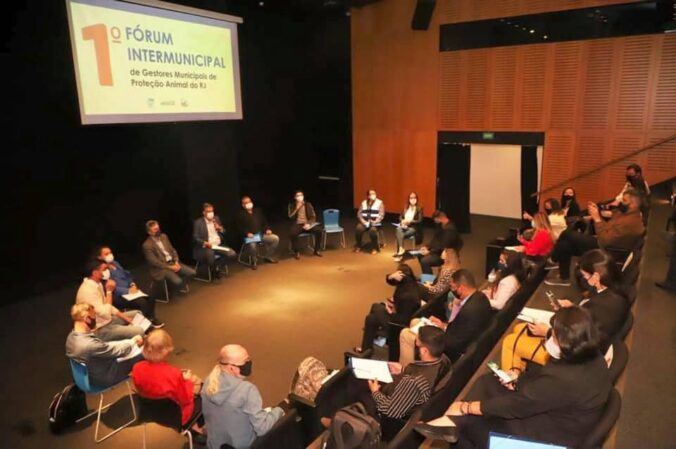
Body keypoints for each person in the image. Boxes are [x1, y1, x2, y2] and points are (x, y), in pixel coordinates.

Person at [414, 307, 611, 449]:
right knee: (488, 381)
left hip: (549, 438)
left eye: (554, 337)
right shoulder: (591, 356)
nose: (549, 340)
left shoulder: (563, 378)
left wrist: (468, 407)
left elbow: (519, 405)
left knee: (470, 421)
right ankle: (452, 421)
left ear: (568, 342)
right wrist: (517, 379)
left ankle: (454, 421)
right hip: (557, 413)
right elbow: (543, 389)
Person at [501, 249, 628, 372]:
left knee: (509, 341)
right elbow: (588, 321)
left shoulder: (606, 305)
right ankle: (519, 371)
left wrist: (548, 332)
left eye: (585, 276)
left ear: (595, 276)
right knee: (519, 328)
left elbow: (584, 342)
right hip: (574, 341)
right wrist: (572, 308)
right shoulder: (608, 291)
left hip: (574, 357)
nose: (584, 279)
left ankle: (511, 380)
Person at [546, 188, 645, 286]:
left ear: (634, 205)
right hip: (603, 242)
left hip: (606, 248)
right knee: (564, 245)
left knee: (567, 234)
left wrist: (597, 218)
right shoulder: (626, 214)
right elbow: (609, 224)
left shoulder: (630, 222)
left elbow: (605, 240)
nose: (620, 202)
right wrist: (597, 212)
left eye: (624, 200)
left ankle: (553, 260)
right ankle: (563, 277)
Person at [201, 344, 285, 449]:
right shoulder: (247, 390)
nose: (248, 363)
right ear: (231, 368)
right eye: (245, 362)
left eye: (248, 359)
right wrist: (280, 409)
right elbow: (262, 428)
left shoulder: (209, 382)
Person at [402, 270, 492, 364]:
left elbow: (454, 344)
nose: (451, 290)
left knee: (405, 334)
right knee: (415, 321)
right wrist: (443, 326)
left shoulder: (469, 311)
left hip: (453, 351)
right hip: (458, 338)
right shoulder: (481, 297)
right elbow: (460, 329)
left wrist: (430, 335)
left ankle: (406, 369)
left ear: (461, 288)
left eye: (452, 287)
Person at [363, 326, 452, 420]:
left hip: (390, 408)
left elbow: (391, 411)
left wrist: (375, 392)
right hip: (407, 394)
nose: (415, 346)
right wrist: (403, 371)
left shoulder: (414, 381)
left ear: (424, 351)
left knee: (358, 383)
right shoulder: (444, 361)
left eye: (417, 343)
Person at [131, 329, 206, 441]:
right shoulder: (173, 374)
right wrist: (187, 381)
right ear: (165, 351)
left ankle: (194, 426)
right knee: (205, 389)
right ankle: (195, 426)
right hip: (176, 416)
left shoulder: (137, 367)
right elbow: (186, 400)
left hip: (150, 412)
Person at [66, 303, 145, 387]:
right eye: (94, 316)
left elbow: (105, 346)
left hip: (92, 373)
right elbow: (117, 351)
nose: (95, 319)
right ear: (87, 319)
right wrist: (133, 341)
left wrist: (128, 342)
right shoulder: (90, 345)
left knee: (127, 347)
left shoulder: (71, 337)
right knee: (145, 352)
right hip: (107, 376)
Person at [355, 264, 421, 354]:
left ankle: (374, 338)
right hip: (399, 315)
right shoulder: (412, 283)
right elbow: (390, 281)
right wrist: (391, 276)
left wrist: (390, 312)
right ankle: (366, 349)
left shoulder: (407, 297)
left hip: (398, 325)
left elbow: (402, 319)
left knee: (375, 307)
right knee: (371, 318)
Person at [75, 259, 146, 342]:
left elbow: (107, 305)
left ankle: (128, 330)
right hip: (99, 329)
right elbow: (105, 313)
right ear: (95, 273)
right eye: (104, 269)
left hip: (107, 320)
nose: (107, 271)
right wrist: (109, 292)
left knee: (137, 314)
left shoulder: (97, 283)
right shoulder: (88, 291)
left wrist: (126, 318)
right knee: (139, 331)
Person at [96, 246, 163, 328]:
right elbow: (109, 286)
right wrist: (128, 291)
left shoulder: (116, 263)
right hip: (118, 296)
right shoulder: (103, 270)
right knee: (142, 302)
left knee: (151, 295)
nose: (110, 255)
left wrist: (132, 283)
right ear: (99, 257)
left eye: (110, 252)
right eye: (106, 254)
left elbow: (126, 274)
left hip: (130, 289)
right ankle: (144, 323)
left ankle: (151, 318)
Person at [143, 220, 196, 292]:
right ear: (149, 232)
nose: (158, 231)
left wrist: (176, 261)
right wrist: (170, 267)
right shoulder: (147, 245)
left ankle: (179, 285)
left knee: (192, 273)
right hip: (161, 269)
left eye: (158, 228)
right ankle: (176, 285)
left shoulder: (164, 236)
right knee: (178, 282)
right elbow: (155, 262)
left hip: (172, 263)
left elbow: (173, 250)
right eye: (155, 230)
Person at [193, 202, 237, 279]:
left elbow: (224, 231)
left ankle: (216, 267)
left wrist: (220, 229)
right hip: (206, 247)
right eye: (208, 211)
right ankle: (214, 271)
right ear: (204, 213)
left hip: (218, 245)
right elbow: (195, 237)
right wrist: (204, 242)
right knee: (210, 257)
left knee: (232, 254)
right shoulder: (198, 222)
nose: (211, 213)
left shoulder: (216, 219)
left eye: (212, 211)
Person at [235, 196, 280, 268]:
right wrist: (247, 233)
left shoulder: (258, 211)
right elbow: (239, 228)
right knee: (253, 246)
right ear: (243, 205)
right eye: (246, 202)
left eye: (249, 201)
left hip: (260, 235)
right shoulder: (240, 215)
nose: (248, 203)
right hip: (249, 237)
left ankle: (268, 257)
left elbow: (264, 222)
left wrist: (267, 229)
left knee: (275, 238)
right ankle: (254, 261)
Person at [287, 190, 323, 259]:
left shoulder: (308, 204)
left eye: (301, 195)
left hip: (307, 223)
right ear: (295, 197)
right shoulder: (291, 205)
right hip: (298, 224)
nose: (300, 197)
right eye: (298, 196)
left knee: (319, 231)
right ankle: (296, 251)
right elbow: (290, 217)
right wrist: (296, 209)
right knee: (292, 234)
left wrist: (308, 224)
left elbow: (313, 216)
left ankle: (316, 250)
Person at [354, 189, 385, 255]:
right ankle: (359, 245)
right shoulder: (363, 203)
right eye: (371, 194)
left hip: (375, 222)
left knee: (372, 230)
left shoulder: (380, 202)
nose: (373, 195)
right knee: (358, 228)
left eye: (374, 193)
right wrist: (363, 221)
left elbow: (381, 215)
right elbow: (359, 214)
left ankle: (375, 248)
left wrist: (375, 222)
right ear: (368, 196)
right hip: (365, 222)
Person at [393, 192, 423, 258]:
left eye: (414, 198)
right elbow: (400, 217)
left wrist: (410, 221)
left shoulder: (419, 208)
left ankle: (399, 254)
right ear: (409, 199)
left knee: (399, 234)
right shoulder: (406, 207)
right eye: (411, 198)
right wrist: (402, 221)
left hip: (413, 228)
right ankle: (401, 250)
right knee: (399, 229)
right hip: (404, 226)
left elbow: (419, 220)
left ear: (417, 199)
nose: (413, 199)